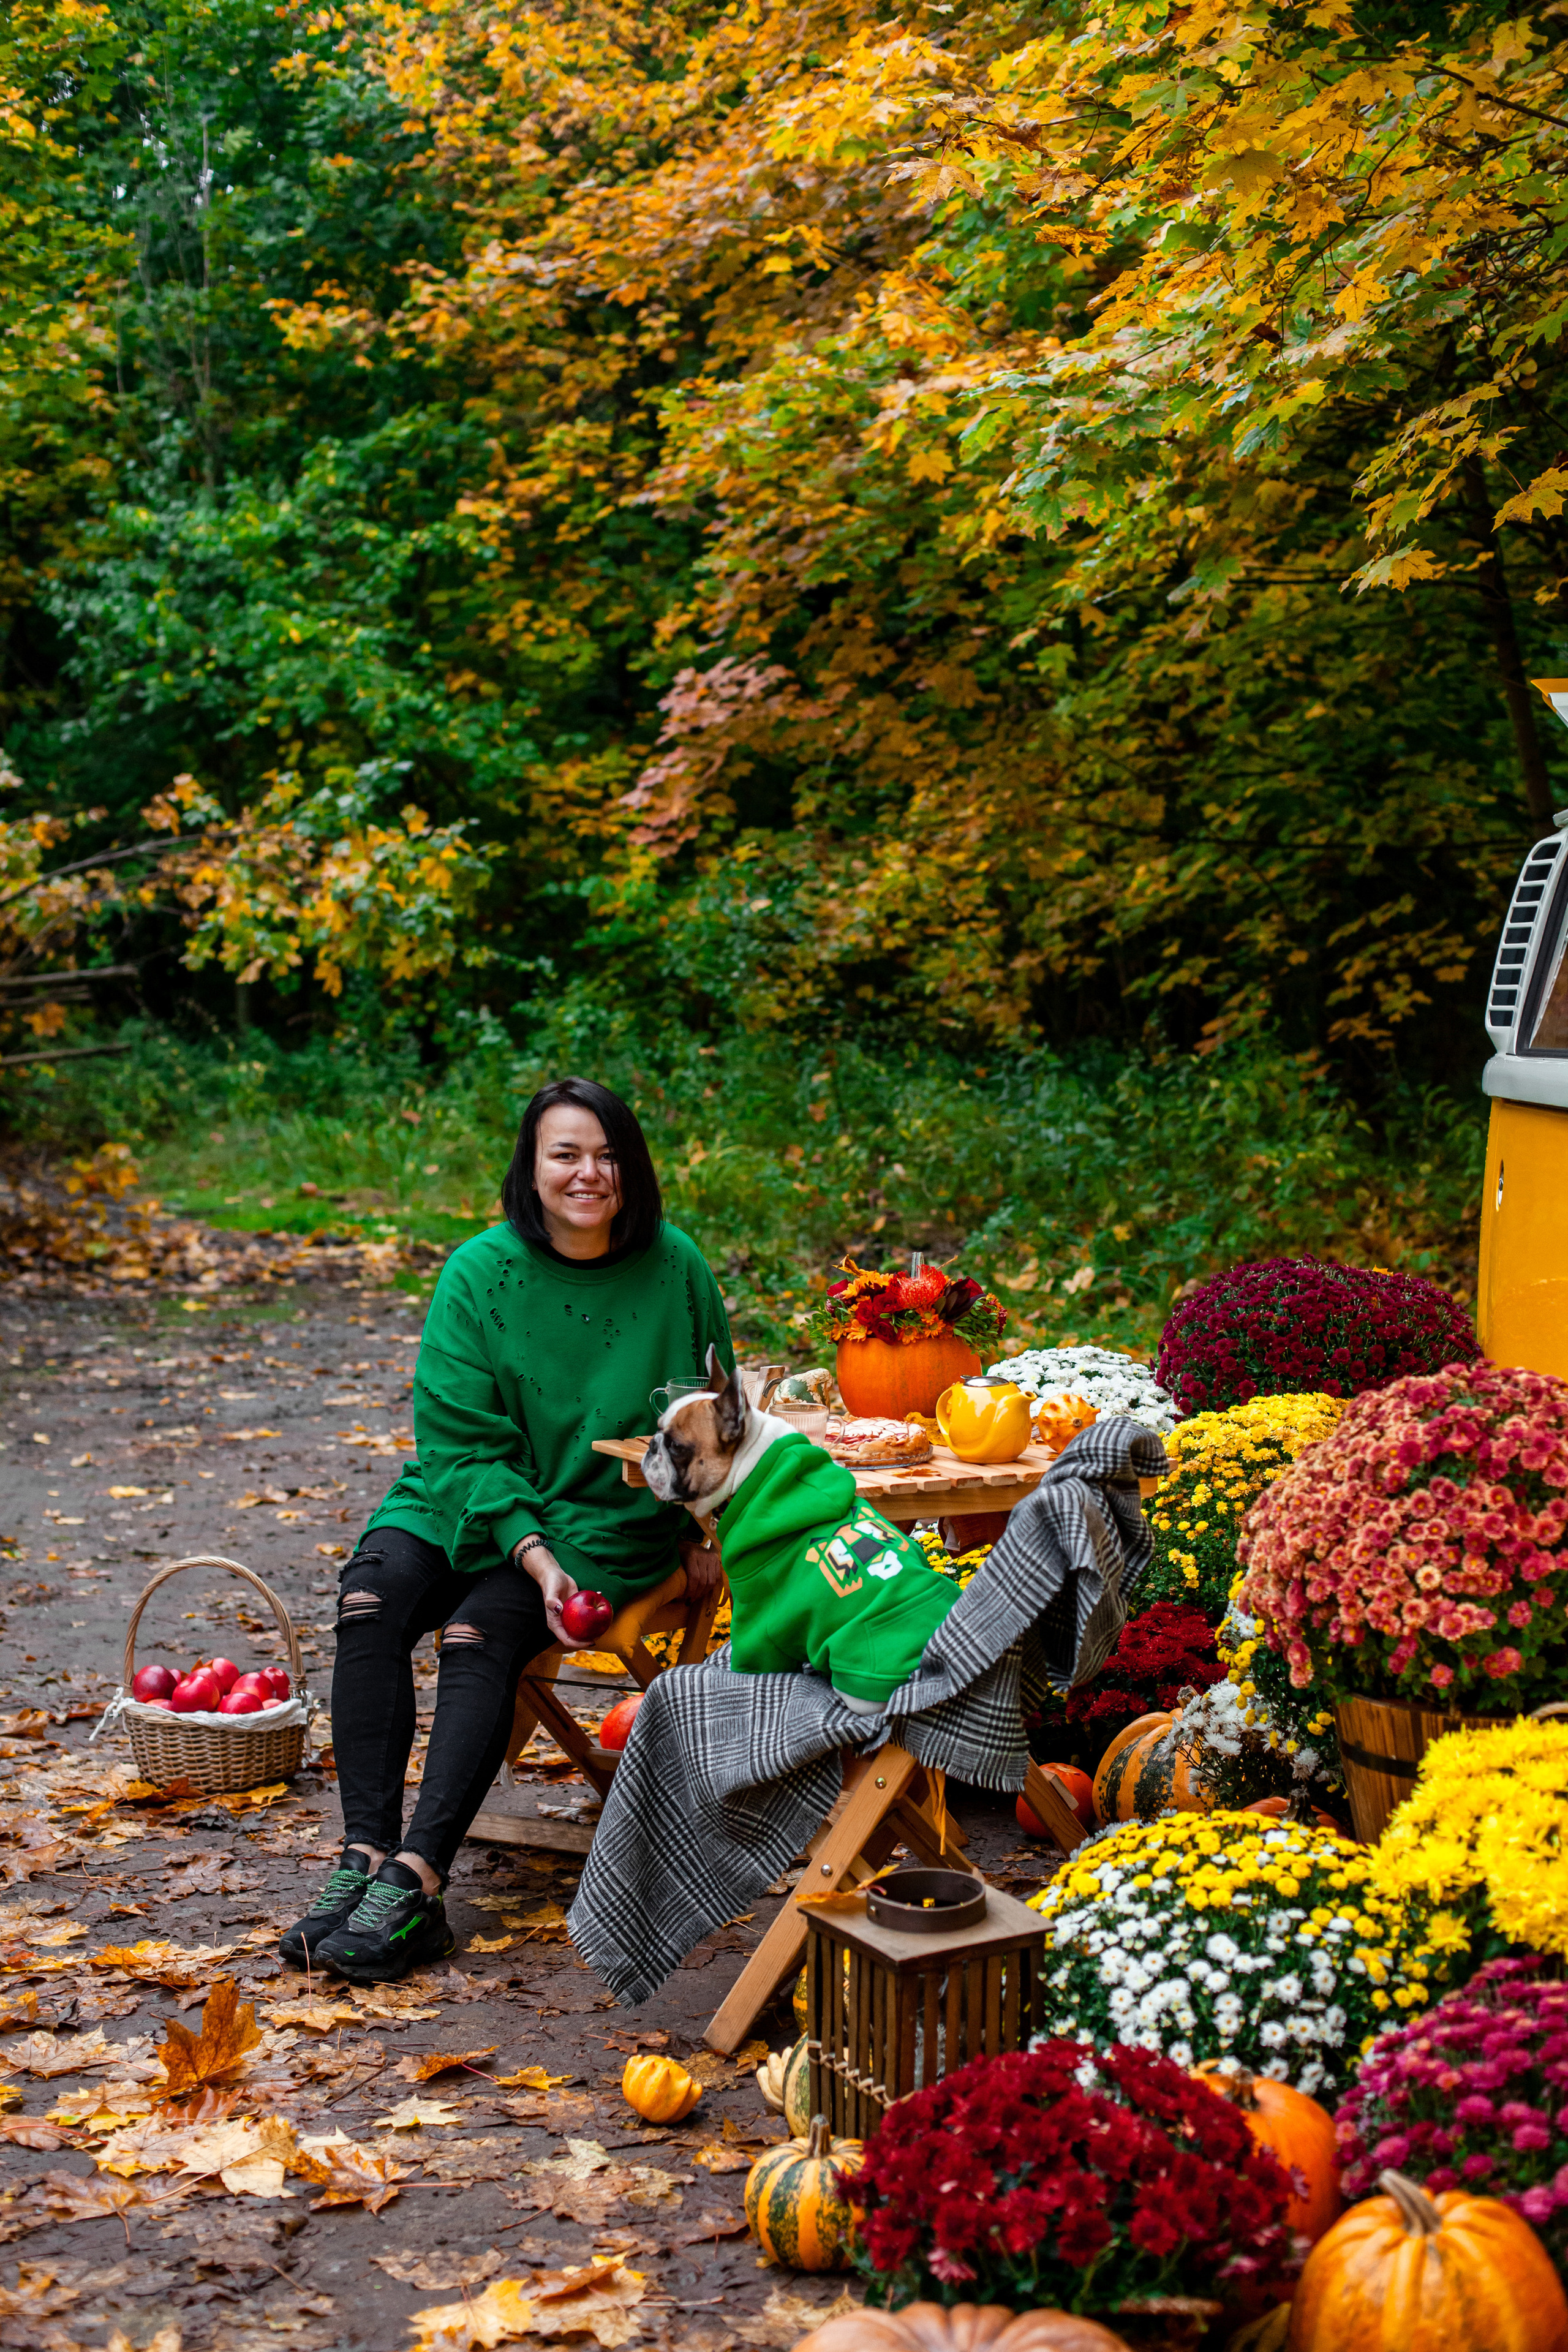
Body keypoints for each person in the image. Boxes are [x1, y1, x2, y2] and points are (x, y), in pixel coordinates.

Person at [279, 1076, 733, 1983]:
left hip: (601, 1512)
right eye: (565, 1153)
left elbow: (719, 1415)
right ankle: (365, 1855)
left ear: (631, 1170)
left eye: (607, 1155)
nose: (588, 1173)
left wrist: (706, 1538)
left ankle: (417, 1881)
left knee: (481, 1633)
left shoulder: (676, 1266)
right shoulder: (478, 1273)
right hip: (469, 1488)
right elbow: (458, 1439)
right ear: (531, 1170)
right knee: (369, 1600)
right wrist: (525, 1545)